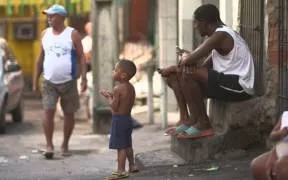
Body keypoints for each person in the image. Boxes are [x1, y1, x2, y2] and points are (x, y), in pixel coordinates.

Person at [160, 4, 255, 139]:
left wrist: (185, 59)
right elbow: (201, 67)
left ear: (204, 22)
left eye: (196, 23)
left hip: (239, 86)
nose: (195, 27)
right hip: (224, 83)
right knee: (173, 77)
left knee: (187, 72)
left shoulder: (222, 34)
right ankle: (187, 119)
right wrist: (180, 66)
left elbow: (189, 61)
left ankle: (204, 124)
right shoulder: (217, 40)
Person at [33, 4, 87, 159]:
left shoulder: (73, 34)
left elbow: (81, 57)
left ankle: (65, 144)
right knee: (48, 111)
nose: (49, 19)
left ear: (62, 17)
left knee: (69, 113)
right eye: (48, 16)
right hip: (48, 81)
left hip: (69, 81)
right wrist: (35, 81)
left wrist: (83, 78)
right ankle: (49, 145)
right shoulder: (45, 34)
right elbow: (40, 58)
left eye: (52, 16)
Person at [100, 60, 139, 179]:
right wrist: (113, 96)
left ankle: (121, 170)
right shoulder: (131, 87)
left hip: (119, 120)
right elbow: (123, 102)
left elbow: (114, 106)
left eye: (115, 70)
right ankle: (132, 165)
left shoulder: (118, 88)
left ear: (123, 75)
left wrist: (108, 97)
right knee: (127, 144)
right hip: (128, 119)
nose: (113, 71)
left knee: (120, 146)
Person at [251, 111, 288, 180]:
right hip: (284, 148)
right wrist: (280, 133)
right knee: (257, 166)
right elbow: (272, 136)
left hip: (284, 149)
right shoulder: (286, 116)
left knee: (282, 167)